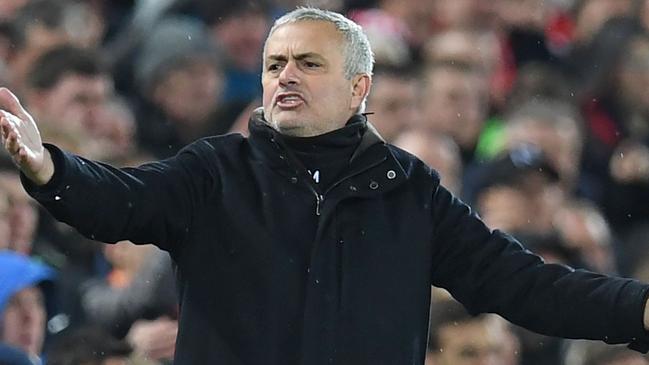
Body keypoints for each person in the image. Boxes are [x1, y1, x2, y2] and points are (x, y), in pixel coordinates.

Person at [3, 7, 649, 365]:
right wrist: (48, 167)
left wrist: (635, 310)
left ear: (357, 88)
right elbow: (122, 203)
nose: (285, 74)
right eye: (274, 63)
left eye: (308, 63)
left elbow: (522, 284)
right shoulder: (215, 170)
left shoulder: (409, 190)